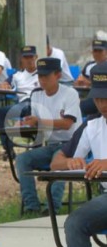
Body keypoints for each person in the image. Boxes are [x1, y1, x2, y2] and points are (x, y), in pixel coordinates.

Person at [50, 62, 107, 247]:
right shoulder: (93, 126)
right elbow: (56, 161)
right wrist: (70, 162)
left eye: (106, 97)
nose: (102, 104)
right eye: (97, 97)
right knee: (75, 222)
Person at [15, 58, 82, 215]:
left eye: (46, 76)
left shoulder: (70, 93)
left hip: (71, 144)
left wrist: (38, 121)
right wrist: (25, 125)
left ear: (58, 75)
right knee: (22, 159)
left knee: (56, 163)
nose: (42, 80)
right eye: (40, 76)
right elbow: (37, 125)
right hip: (50, 144)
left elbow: (67, 124)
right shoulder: (36, 95)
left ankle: (51, 207)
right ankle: (32, 206)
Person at [0, 45, 40, 157]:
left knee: (31, 107)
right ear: (21, 59)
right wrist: (4, 85)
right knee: (0, 113)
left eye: (31, 57)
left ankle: (36, 146)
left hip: (38, 104)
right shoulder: (16, 76)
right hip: (22, 104)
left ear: (36, 57)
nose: (28, 60)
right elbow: (4, 84)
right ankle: (8, 148)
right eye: (26, 57)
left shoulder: (42, 74)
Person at [75, 39, 107, 116]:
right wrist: (79, 82)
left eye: (100, 51)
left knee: (81, 108)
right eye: (95, 51)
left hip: (102, 96)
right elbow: (78, 81)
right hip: (88, 94)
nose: (97, 54)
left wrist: (89, 82)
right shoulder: (89, 65)